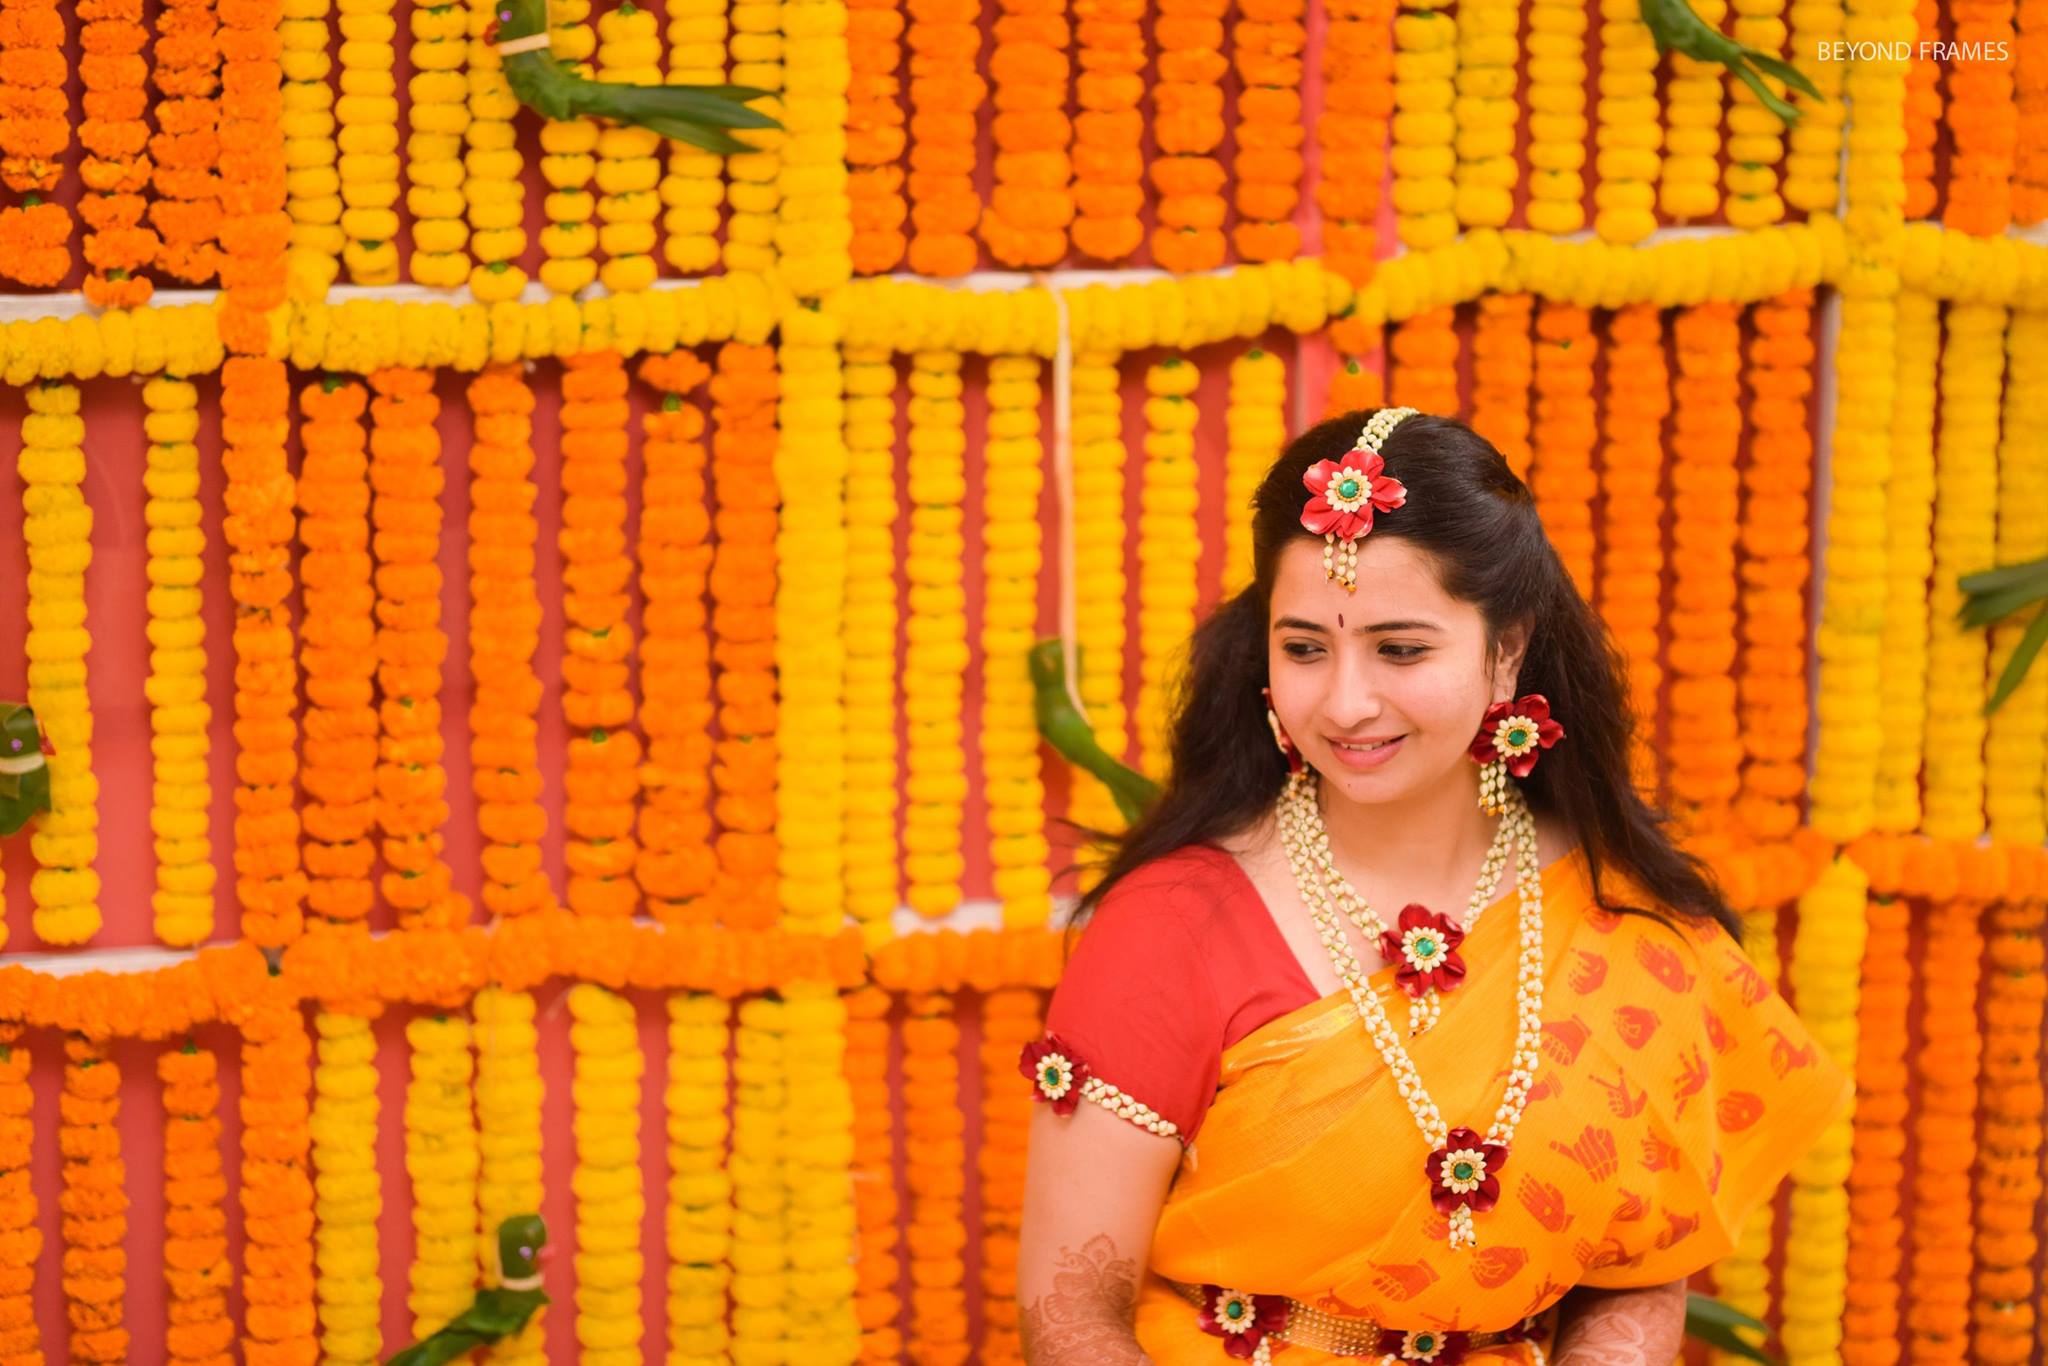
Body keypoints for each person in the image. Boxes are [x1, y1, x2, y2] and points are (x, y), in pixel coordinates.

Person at [1014, 409, 1853, 1365]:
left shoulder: (1616, 912)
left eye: (1401, 649)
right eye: (1304, 648)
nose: (1345, 701)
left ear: (1506, 651)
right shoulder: (1170, 928)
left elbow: (1640, 1263)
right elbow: (1072, 1309)